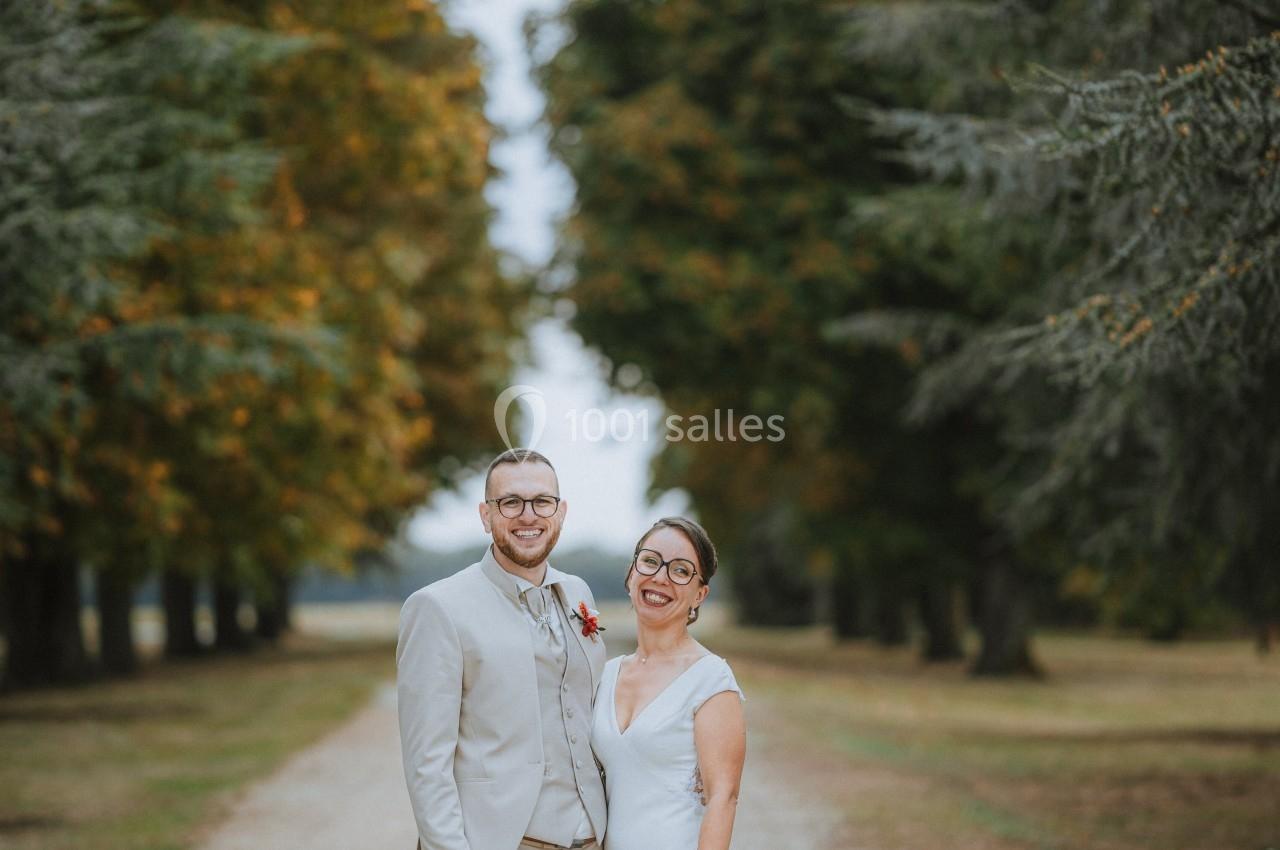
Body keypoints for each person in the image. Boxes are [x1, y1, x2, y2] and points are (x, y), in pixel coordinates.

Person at [397, 448, 607, 850]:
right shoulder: (438, 607)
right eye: (510, 502)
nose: (528, 515)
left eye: (542, 501)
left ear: (560, 512)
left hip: (592, 837)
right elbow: (427, 763)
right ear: (485, 514)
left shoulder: (578, 592)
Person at [590, 517, 747, 850]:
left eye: (680, 570)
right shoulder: (605, 675)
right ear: (632, 573)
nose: (660, 577)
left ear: (699, 594)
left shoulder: (710, 679)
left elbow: (723, 797)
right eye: (650, 561)